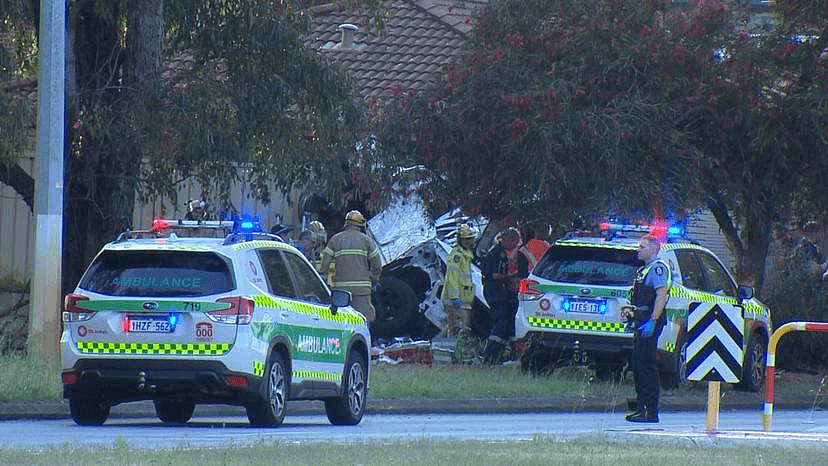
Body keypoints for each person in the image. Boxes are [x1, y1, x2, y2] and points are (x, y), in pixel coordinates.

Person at [621, 234, 671, 423]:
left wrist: (653, 320)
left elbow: (660, 296)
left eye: (642, 247)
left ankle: (650, 411)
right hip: (640, 322)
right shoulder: (644, 270)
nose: (638, 250)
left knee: (646, 367)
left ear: (653, 248)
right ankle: (641, 408)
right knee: (639, 366)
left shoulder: (657, 268)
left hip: (649, 323)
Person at [318, 210, 382, 322]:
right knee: (364, 319)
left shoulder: (335, 239)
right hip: (362, 290)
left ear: (346, 224)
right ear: (360, 224)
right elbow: (377, 266)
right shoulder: (367, 240)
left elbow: (324, 266)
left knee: (341, 320)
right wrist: (373, 277)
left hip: (340, 291)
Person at [480, 227, 522, 364]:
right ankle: (490, 354)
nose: (516, 245)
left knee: (508, 321)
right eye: (514, 241)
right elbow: (493, 274)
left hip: (498, 291)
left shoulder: (501, 252)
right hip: (494, 291)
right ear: (507, 240)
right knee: (501, 321)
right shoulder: (497, 253)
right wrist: (510, 277)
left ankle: (506, 352)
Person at [441, 223, 478, 338]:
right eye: (465, 239)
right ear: (460, 239)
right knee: (462, 328)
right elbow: (452, 277)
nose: (468, 241)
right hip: (456, 299)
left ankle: (443, 347)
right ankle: (458, 351)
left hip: (463, 298)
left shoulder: (466, 255)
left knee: (453, 327)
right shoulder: (457, 255)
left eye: (469, 239)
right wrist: (454, 297)